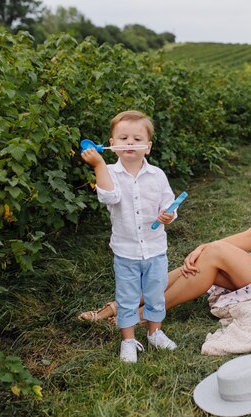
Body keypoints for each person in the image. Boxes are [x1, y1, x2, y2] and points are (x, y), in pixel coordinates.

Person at [79, 128, 251, 342]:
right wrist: (203, 246)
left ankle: (136, 316)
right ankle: (121, 307)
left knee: (214, 255)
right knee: (207, 262)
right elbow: (250, 237)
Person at [80, 110, 178, 363]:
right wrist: (99, 165)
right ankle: (128, 340)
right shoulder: (109, 173)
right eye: (123, 138)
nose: (130, 143)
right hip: (126, 252)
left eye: (136, 139)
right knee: (127, 298)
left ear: (148, 147)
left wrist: (168, 214)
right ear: (111, 145)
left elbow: (169, 203)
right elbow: (109, 197)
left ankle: (155, 333)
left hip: (155, 250)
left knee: (156, 294)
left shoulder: (157, 175)